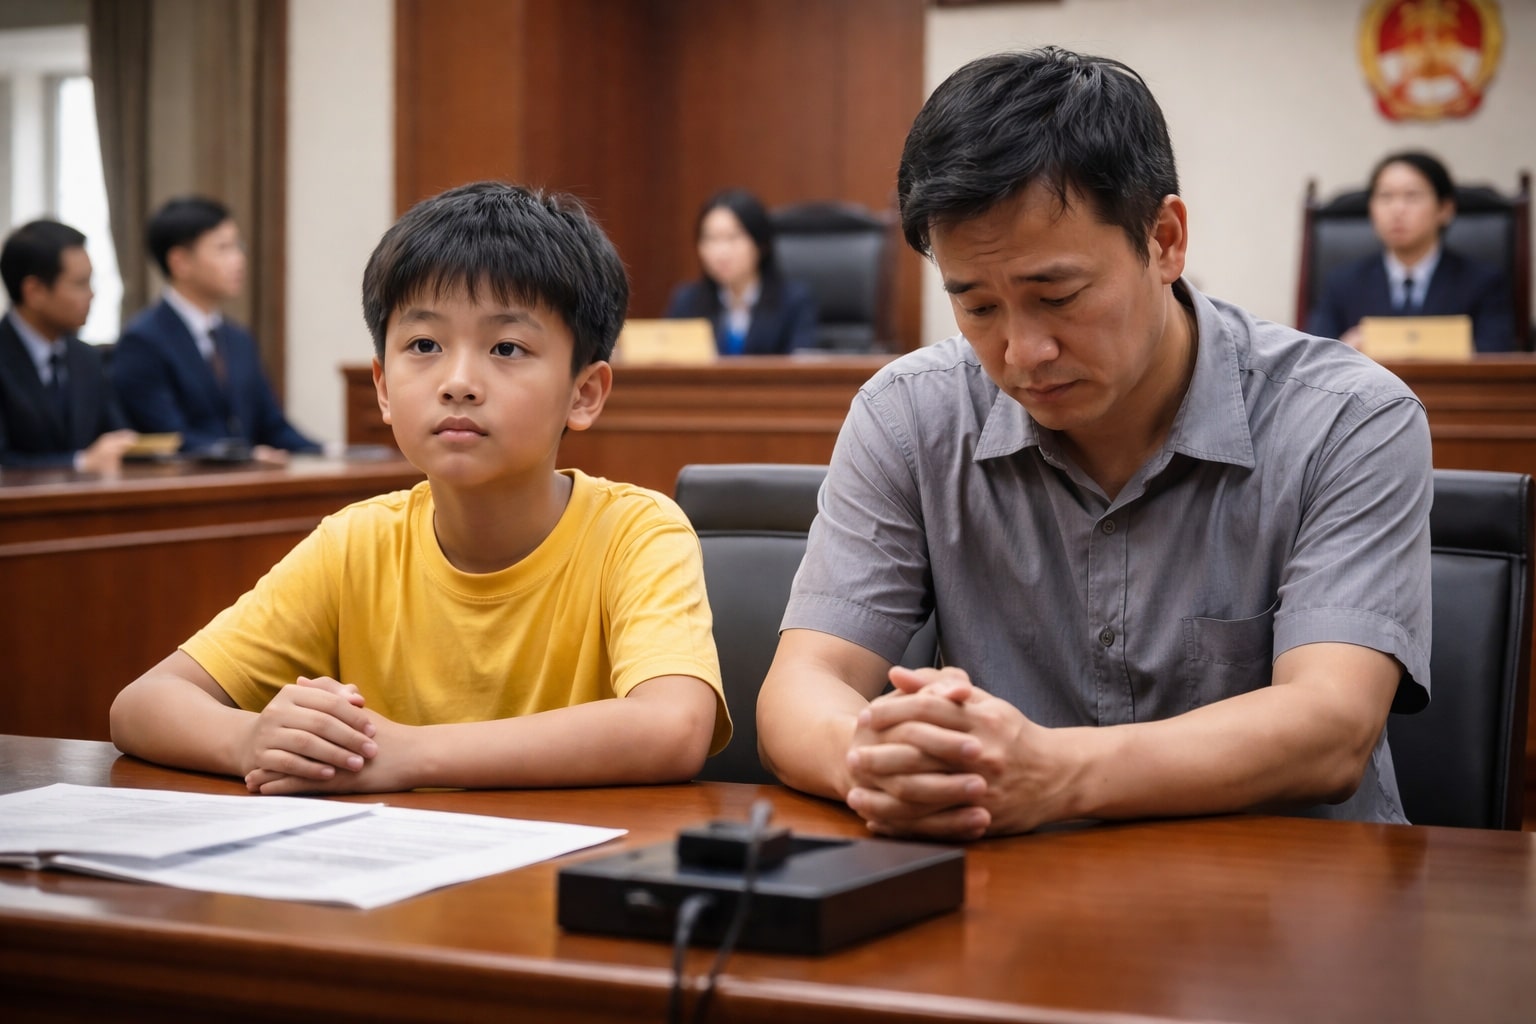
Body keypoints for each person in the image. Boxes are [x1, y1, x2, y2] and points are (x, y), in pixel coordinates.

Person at [757, 48, 1433, 840]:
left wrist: (1052, 772)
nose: (1023, 352)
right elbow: (802, 687)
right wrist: (874, 763)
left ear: (1165, 239)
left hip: (1290, 891)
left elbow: (1332, 726)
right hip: (1019, 889)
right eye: (977, 308)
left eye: (1059, 296)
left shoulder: (1348, 419)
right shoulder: (910, 417)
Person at [110, 181, 729, 794]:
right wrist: (252, 740)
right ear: (382, 387)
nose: (458, 382)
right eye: (424, 345)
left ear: (584, 393)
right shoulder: (356, 544)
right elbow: (142, 704)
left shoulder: (635, 532)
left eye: (507, 347)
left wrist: (409, 754)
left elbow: (673, 726)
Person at [113, 196, 321, 462]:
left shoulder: (238, 339)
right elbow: (168, 436)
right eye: (223, 248)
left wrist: (329, 450)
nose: (239, 260)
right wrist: (246, 455)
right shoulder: (142, 341)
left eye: (238, 246)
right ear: (180, 262)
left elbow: (272, 426)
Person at [1307, 151, 1516, 352]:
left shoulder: (1483, 282)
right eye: (1385, 196)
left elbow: (1496, 357)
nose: (1397, 209)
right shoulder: (1342, 284)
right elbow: (1315, 359)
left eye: (1412, 196)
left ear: (1445, 209)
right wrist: (1344, 349)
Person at [0, 219, 137, 470]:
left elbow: (116, 434)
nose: (91, 295)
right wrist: (80, 463)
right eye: (80, 284)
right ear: (34, 291)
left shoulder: (87, 358)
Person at [665, 188, 818, 355]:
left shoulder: (793, 301)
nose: (721, 252)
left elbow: (801, 364)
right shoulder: (687, 302)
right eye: (710, 238)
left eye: (733, 237)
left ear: (760, 243)